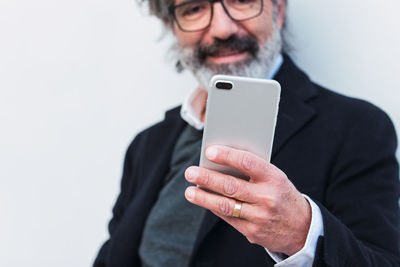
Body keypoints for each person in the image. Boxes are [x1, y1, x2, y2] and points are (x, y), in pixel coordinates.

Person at [94, 0, 400, 266]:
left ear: (278, 10)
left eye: (242, 0)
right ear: (173, 26)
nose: (222, 29)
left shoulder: (357, 128)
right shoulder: (147, 144)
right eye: (194, 8)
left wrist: (302, 235)